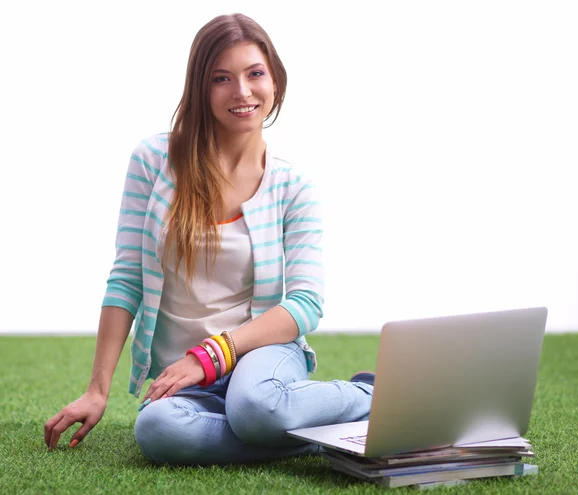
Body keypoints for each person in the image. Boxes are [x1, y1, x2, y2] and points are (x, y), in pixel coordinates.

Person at [44, 13, 374, 465]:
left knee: (256, 406)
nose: (242, 92)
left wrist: (210, 355)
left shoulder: (292, 185)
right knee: (157, 430)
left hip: (260, 358)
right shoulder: (154, 161)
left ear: (275, 79)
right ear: (200, 87)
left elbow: (304, 303)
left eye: (254, 73)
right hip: (181, 378)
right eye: (222, 78)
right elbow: (126, 280)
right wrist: (96, 391)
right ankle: (319, 433)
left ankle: (368, 396)